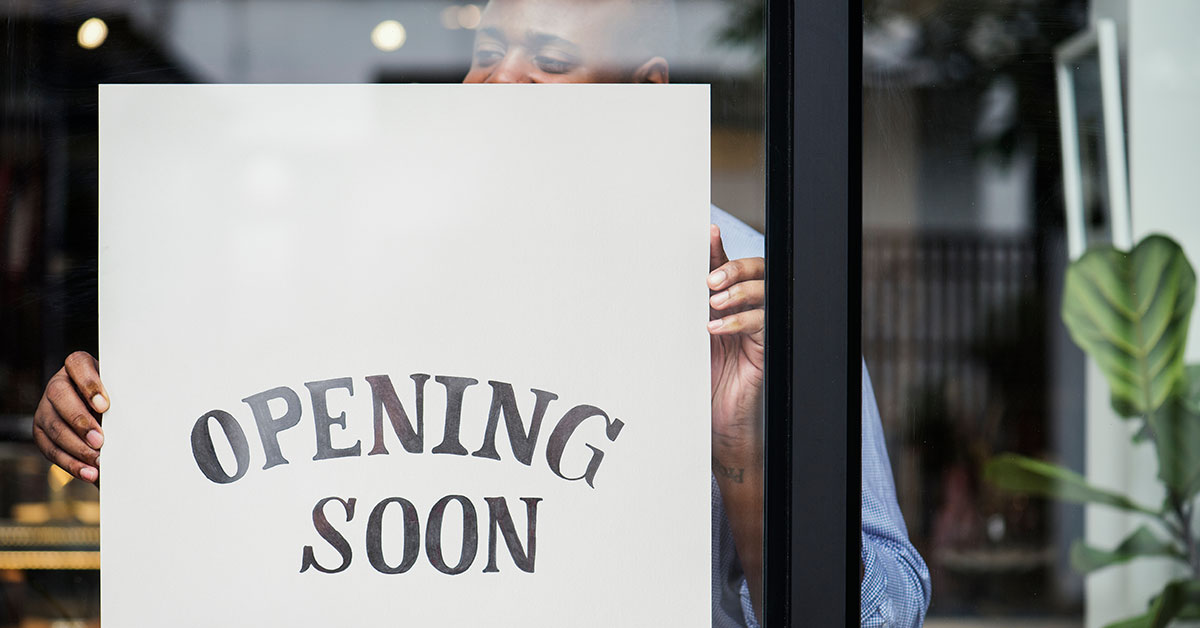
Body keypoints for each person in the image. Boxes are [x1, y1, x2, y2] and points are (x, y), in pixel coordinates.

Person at [32, 0, 930, 625]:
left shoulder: (744, 296)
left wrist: (742, 449)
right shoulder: (362, 251)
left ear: (647, 91)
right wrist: (130, 435)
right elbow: (272, 465)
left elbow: (881, 608)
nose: (500, 83)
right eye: (486, 50)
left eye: (549, 58)